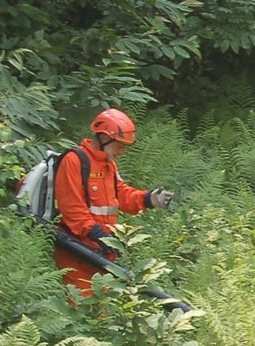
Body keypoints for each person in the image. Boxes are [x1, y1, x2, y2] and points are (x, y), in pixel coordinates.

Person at [54, 108, 173, 296]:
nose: (122, 151)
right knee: (83, 305)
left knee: (102, 306)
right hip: (77, 249)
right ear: (103, 138)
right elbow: (72, 210)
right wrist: (100, 235)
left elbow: (121, 194)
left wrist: (149, 199)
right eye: (119, 145)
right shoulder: (74, 161)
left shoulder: (108, 164)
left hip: (101, 250)